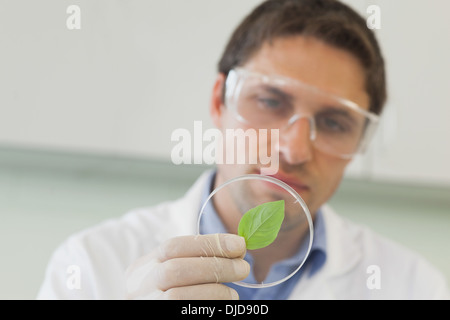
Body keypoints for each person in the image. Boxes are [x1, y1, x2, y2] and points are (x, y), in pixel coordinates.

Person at [37, 0, 449, 300]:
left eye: (334, 123)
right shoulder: (90, 265)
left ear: (360, 142)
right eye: (271, 102)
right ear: (219, 101)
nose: (293, 149)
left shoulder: (416, 288)